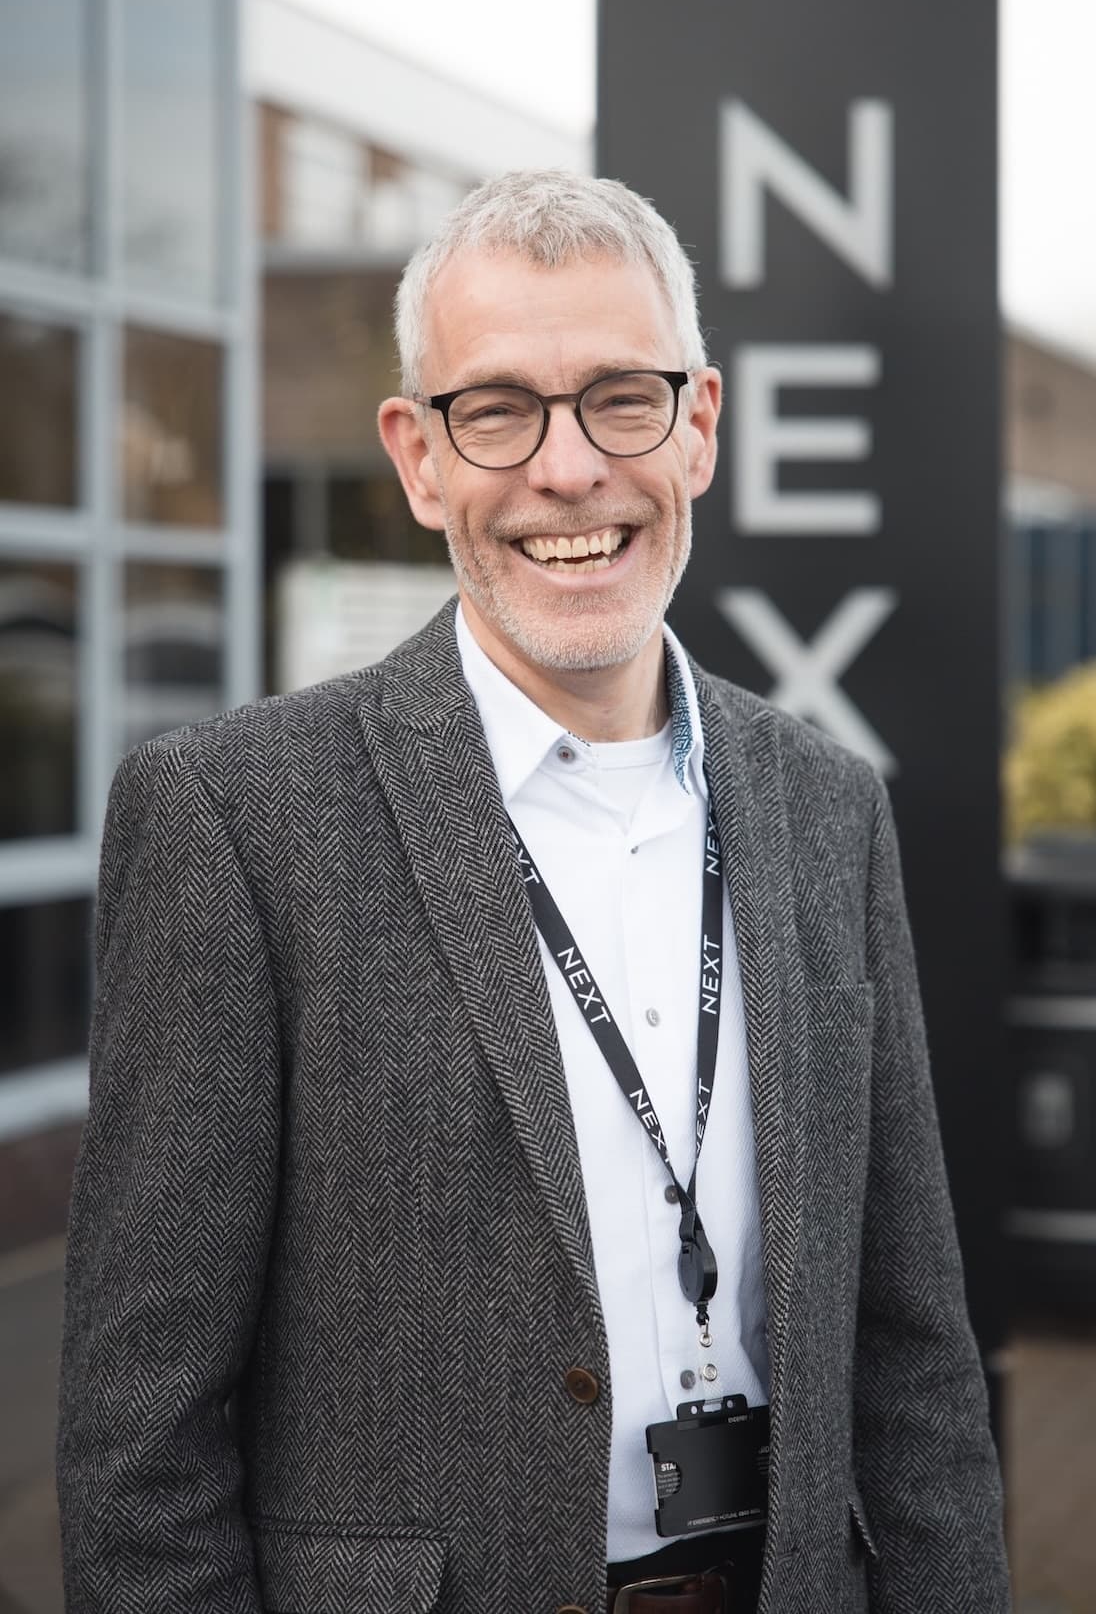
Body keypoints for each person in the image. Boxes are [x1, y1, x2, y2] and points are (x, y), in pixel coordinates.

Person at [58, 169, 1010, 1614]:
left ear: (698, 426)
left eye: (620, 398)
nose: (567, 471)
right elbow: (143, 1436)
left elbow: (913, 1349)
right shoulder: (236, 822)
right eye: (497, 409)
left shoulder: (830, 805)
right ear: (419, 456)